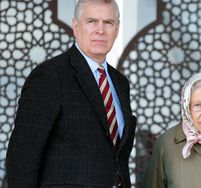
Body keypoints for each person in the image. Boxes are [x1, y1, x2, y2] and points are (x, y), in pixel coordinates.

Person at [6, 0, 136, 187]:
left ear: (116, 29)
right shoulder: (50, 76)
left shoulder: (120, 83)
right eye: (91, 21)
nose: (101, 30)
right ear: (76, 26)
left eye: (108, 22)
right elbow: (23, 155)